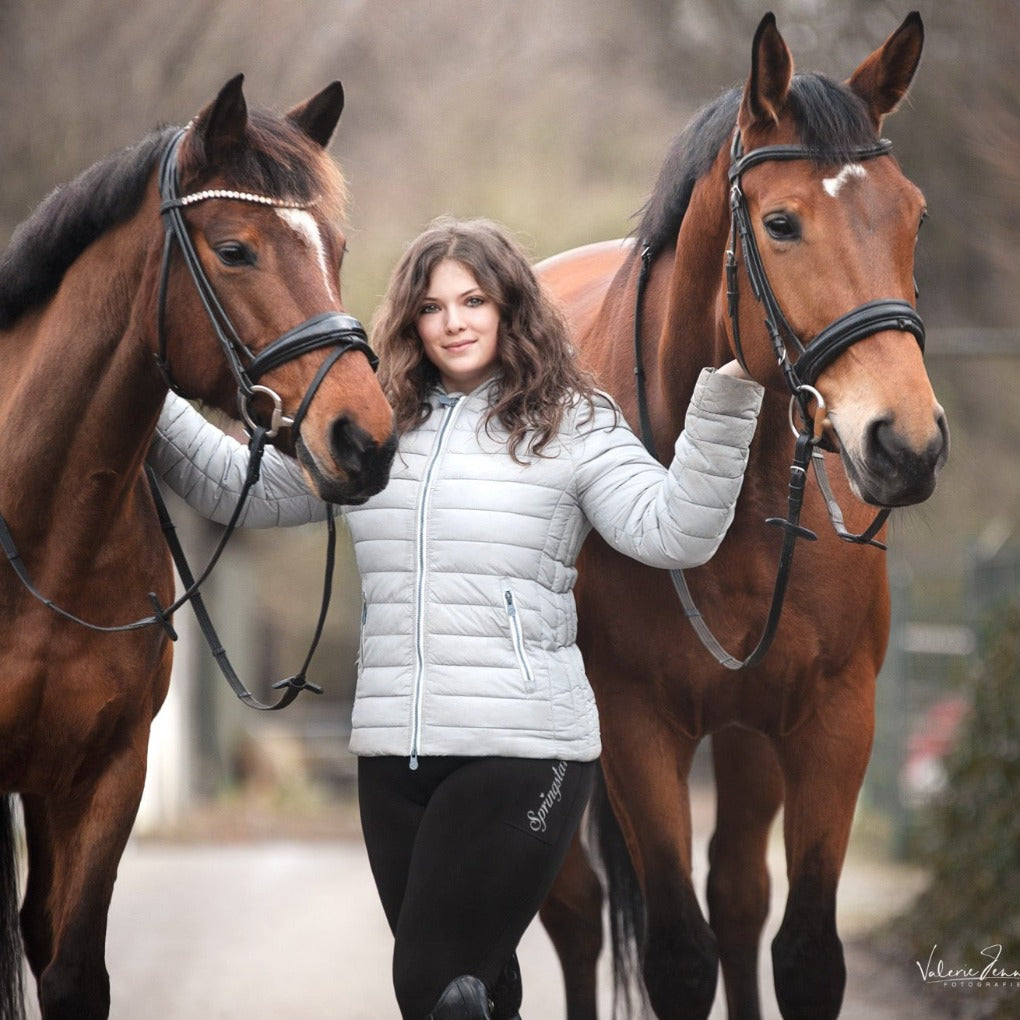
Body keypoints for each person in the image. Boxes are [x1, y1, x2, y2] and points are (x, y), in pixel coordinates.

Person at [148, 216, 764, 1019]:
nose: (454, 322)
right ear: (410, 320)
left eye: (473, 300)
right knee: (475, 987)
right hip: (393, 758)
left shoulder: (572, 424)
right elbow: (242, 488)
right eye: (434, 307)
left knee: (430, 978)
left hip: (526, 752)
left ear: (510, 309)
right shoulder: (376, 428)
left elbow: (675, 529)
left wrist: (727, 397)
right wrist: (142, 388)